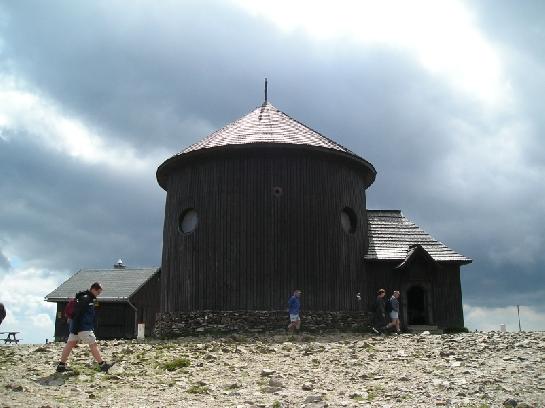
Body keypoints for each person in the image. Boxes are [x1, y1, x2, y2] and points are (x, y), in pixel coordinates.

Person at [56, 282, 113, 373]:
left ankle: (61, 365)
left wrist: (75, 327)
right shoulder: (86, 298)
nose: (98, 294)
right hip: (83, 327)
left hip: (76, 327)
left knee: (70, 344)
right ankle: (102, 365)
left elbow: (76, 313)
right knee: (93, 344)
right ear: (93, 289)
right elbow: (78, 312)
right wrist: (80, 328)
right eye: (98, 292)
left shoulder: (83, 297)